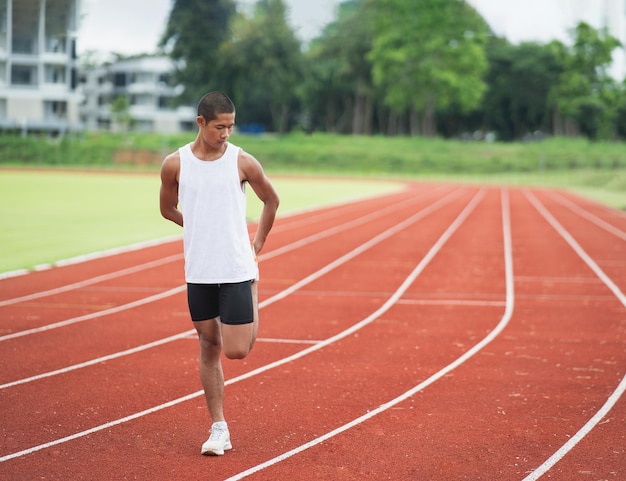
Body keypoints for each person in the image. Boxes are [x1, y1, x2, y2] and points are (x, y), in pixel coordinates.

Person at [159, 91, 279, 456]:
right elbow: (167, 209)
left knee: (237, 351)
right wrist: (196, 224)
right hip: (198, 269)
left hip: (236, 267)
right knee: (209, 345)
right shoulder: (175, 163)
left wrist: (255, 246)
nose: (226, 133)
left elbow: (271, 200)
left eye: (231, 126)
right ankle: (219, 428)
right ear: (201, 123)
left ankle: (255, 288)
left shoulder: (242, 162)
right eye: (220, 126)